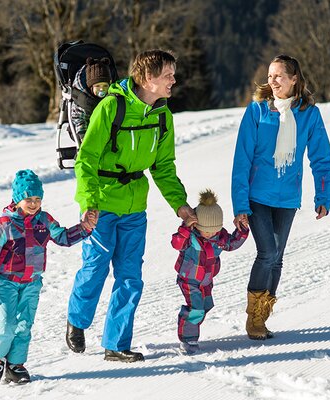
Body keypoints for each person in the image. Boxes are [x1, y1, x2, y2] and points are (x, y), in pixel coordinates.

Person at [66, 49, 195, 363]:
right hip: (102, 203)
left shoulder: (162, 115)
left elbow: (163, 167)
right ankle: (77, 320)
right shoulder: (112, 107)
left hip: (135, 207)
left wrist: (180, 205)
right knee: (95, 268)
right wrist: (89, 204)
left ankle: (116, 344)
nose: (173, 81)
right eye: (168, 75)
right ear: (148, 78)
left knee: (130, 276)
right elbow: (86, 160)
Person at [231, 54, 330, 340]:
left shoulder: (309, 114)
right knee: (267, 252)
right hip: (257, 197)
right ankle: (254, 318)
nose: (272, 81)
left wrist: (323, 194)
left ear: (294, 79)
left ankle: (263, 315)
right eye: (270, 76)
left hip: (288, 198)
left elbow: (322, 158)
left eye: (278, 76)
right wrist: (240, 204)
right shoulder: (257, 111)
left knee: (277, 258)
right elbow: (241, 160)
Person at [0, 169, 91, 384]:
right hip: (7, 281)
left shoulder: (44, 220)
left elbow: (62, 237)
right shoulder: (4, 224)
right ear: (18, 199)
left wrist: (84, 228)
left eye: (37, 199)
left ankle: (16, 364)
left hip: (33, 283)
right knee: (6, 322)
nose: (34, 203)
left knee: (25, 323)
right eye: (28, 198)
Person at [171, 189, 249, 354]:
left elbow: (232, 244)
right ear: (197, 225)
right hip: (189, 280)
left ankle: (188, 324)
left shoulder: (219, 237)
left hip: (206, 280)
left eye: (214, 230)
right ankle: (188, 340)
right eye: (206, 230)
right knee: (196, 309)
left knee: (205, 306)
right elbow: (176, 243)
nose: (210, 234)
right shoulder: (190, 237)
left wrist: (242, 231)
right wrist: (185, 228)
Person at [70, 57, 113, 144]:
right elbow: (78, 118)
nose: (102, 89)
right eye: (98, 86)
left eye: (105, 86)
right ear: (90, 87)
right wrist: (83, 136)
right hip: (85, 128)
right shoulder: (82, 99)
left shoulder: (111, 96)